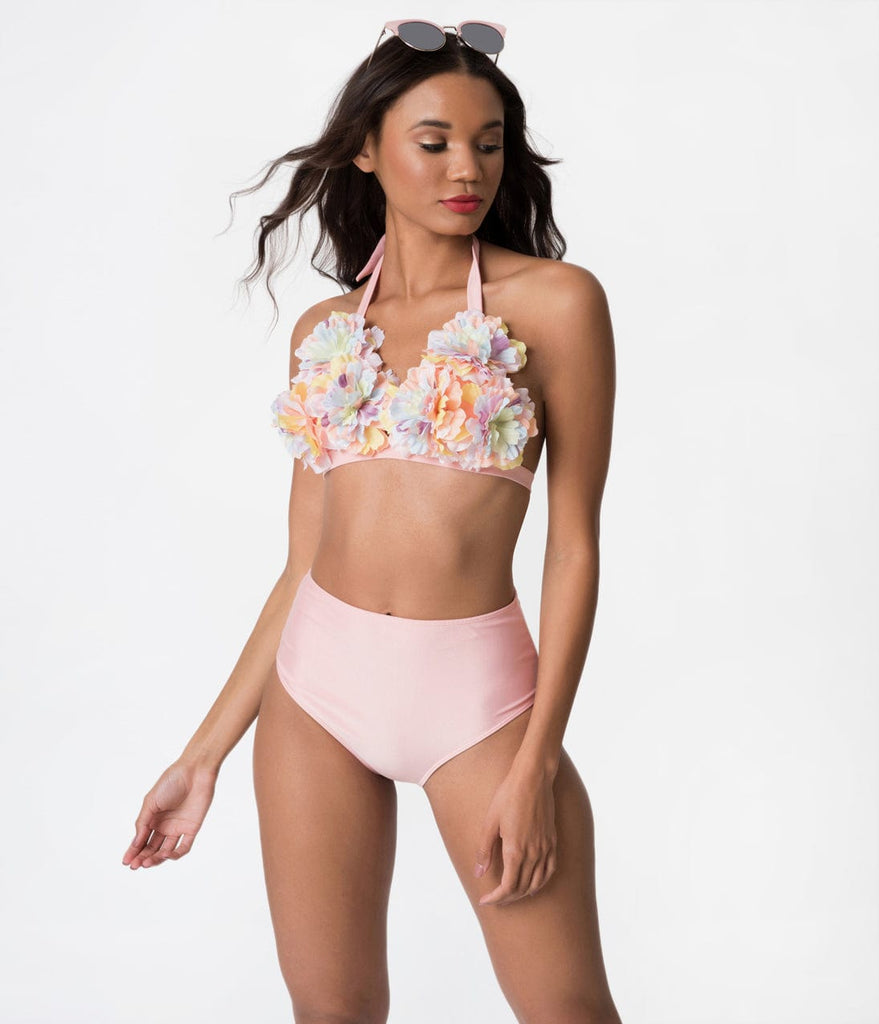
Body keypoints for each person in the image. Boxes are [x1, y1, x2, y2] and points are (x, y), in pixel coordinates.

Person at [122, 20, 621, 1024]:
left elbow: (573, 545)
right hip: (314, 694)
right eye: (434, 141)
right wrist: (201, 755)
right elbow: (302, 563)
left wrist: (536, 762)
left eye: (488, 143)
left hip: (478, 699)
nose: (467, 168)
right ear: (365, 148)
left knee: (567, 1010)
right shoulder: (326, 332)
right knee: (333, 1013)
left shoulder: (558, 304)